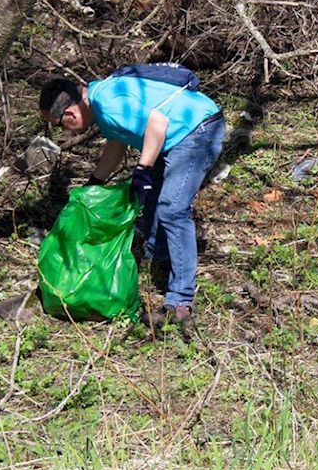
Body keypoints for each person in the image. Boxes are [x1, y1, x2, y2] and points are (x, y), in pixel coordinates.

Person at [39, 72, 225, 327]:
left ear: (70, 114)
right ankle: (159, 265)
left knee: (172, 209)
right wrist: (95, 183)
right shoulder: (101, 101)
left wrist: (143, 169)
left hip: (196, 129)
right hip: (180, 133)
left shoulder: (108, 101)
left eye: (59, 124)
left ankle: (181, 302)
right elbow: (117, 144)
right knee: (151, 201)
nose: (64, 130)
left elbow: (157, 124)